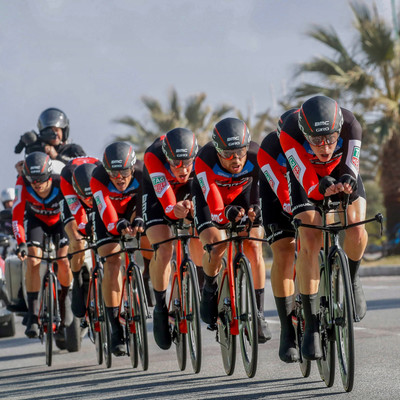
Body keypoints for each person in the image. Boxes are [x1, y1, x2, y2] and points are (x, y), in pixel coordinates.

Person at [279, 95, 368, 360]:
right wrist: (319, 186)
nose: (325, 146)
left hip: (341, 173)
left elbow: (351, 166)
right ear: (305, 133)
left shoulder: (352, 124)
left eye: (330, 138)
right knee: (309, 237)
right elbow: (304, 177)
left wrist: (347, 181)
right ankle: (312, 325)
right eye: (316, 140)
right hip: (306, 178)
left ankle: (351, 278)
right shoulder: (290, 132)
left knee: (356, 228)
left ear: (339, 128)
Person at [193, 117, 271, 343]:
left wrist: (257, 210)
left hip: (244, 195)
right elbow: (215, 205)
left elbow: (265, 191)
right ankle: (209, 287)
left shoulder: (257, 156)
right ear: (217, 151)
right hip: (211, 200)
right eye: (228, 154)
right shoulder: (204, 159)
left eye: (240, 152)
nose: (236, 159)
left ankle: (258, 313)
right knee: (216, 245)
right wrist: (225, 214)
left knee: (254, 246)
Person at [142, 127, 204, 350]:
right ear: (167, 157)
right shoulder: (153, 156)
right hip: (157, 197)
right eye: (176, 163)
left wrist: (193, 211)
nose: (182, 168)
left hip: (187, 192)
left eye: (187, 162)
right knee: (164, 248)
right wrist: (173, 208)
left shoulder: (201, 159)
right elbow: (167, 202)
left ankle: (199, 281)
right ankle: (160, 307)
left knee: (201, 231)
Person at [90, 141, 150, 356]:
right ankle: (115, 326)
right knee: (113, 259)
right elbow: (104, 208)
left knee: (151, 238)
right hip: (108, 216)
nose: (120, 177)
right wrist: (116, 225)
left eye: (125, 171)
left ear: (132, 167)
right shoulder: (97, 177)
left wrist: (140, 220)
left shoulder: (143, 172)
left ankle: (149, 277)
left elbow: (144, 202)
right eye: (114, 173)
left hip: (133, 211)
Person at [12, 152, 72, 341]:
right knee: (32, 259)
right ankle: (33, 316)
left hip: (60, 222)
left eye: (40, 179)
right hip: (36, 221)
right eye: (31, 179)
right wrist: (21, 242)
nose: (36, 184)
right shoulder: (23, 184)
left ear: (49, 175)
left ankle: (65, 296)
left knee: (62, 259)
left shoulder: (60, 182)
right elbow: (17, 216)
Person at [257, 108, 299, 362]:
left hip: (310, 191)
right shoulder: (270, 146)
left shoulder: (314, 141)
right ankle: (288, 329)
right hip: (277, 196)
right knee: (284, 250)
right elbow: (282, 193)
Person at [60, 157, 101, 318]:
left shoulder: (101, 171)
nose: (89, 201)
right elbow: (78, 213)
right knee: (77, 239)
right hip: (71, 199)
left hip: (99, 188)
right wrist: (85, 228)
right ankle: (76, 279)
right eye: (86, 198)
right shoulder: (66, 179)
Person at [14, 108, 86, 176]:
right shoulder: (38, 151)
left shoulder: (72, 149)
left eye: (57, 130)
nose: (55, 134)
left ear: (63, 131)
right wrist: (22, 172)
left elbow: (84, 168)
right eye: (50, 131)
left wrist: (56, 156)